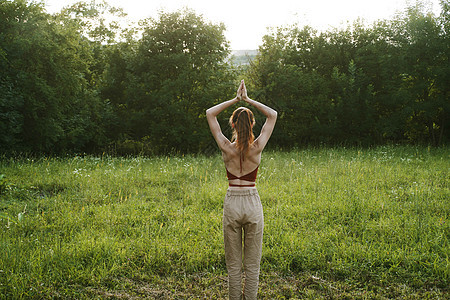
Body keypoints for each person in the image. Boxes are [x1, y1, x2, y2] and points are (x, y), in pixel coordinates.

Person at [206, 80, 277, 299]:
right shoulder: (257, 148)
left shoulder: (226, 147)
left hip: (232, 202)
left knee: (234, 266)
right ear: (253, 124)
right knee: (252, 266)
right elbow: (273, 115)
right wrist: (247, 100)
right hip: (252, 202)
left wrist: (235, 100)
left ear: (234, 125)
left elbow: (210, 114)